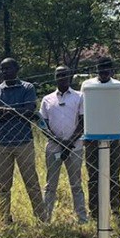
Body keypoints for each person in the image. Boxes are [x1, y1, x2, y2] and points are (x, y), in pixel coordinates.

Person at [0, 58, 47, 223]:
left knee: (32, 182)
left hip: (24, 142)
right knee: (3, 185)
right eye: (2, 69)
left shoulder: (27, 87)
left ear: (16, 69)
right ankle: (5, 219)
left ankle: (41, 218)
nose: (4, 72)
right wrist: (16, 110)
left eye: (7, 68)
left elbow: (29, 112)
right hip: (1, 143)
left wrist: (4, 110)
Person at [40, 65, 87, 223]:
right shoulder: (47, 99)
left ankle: (82, 218)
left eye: (65, 75)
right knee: (50, 185)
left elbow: (83, 122)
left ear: (70, 77)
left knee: (76, 184)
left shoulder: (79, 96)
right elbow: (43, 125)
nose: (62, 78)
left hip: (74, 147)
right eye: (59, 75)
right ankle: (46, 218)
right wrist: (59, 141)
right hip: (54, 147)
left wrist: (69, 142)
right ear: (55, 77)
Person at [83, 58, 120, 220]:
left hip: (113, 137)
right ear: (96, 69)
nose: (104, 73)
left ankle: (115, 209)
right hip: (92, 137)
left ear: (112, 71)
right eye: (101, 69)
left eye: (107, 70)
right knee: (93, 175)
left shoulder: (118, 86)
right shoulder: (87, 85)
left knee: (113, 174)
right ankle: (94, 211)